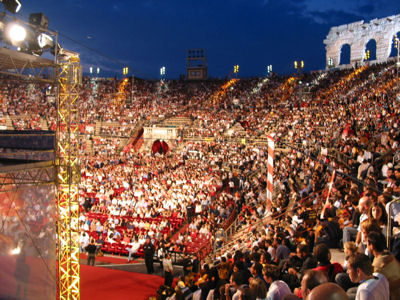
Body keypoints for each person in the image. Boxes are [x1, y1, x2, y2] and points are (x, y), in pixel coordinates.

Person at [367, 231, 400, 300]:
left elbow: (372, 288)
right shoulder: (390, 256)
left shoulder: (377, 267)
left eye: (367, 243)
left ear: (371, 246)